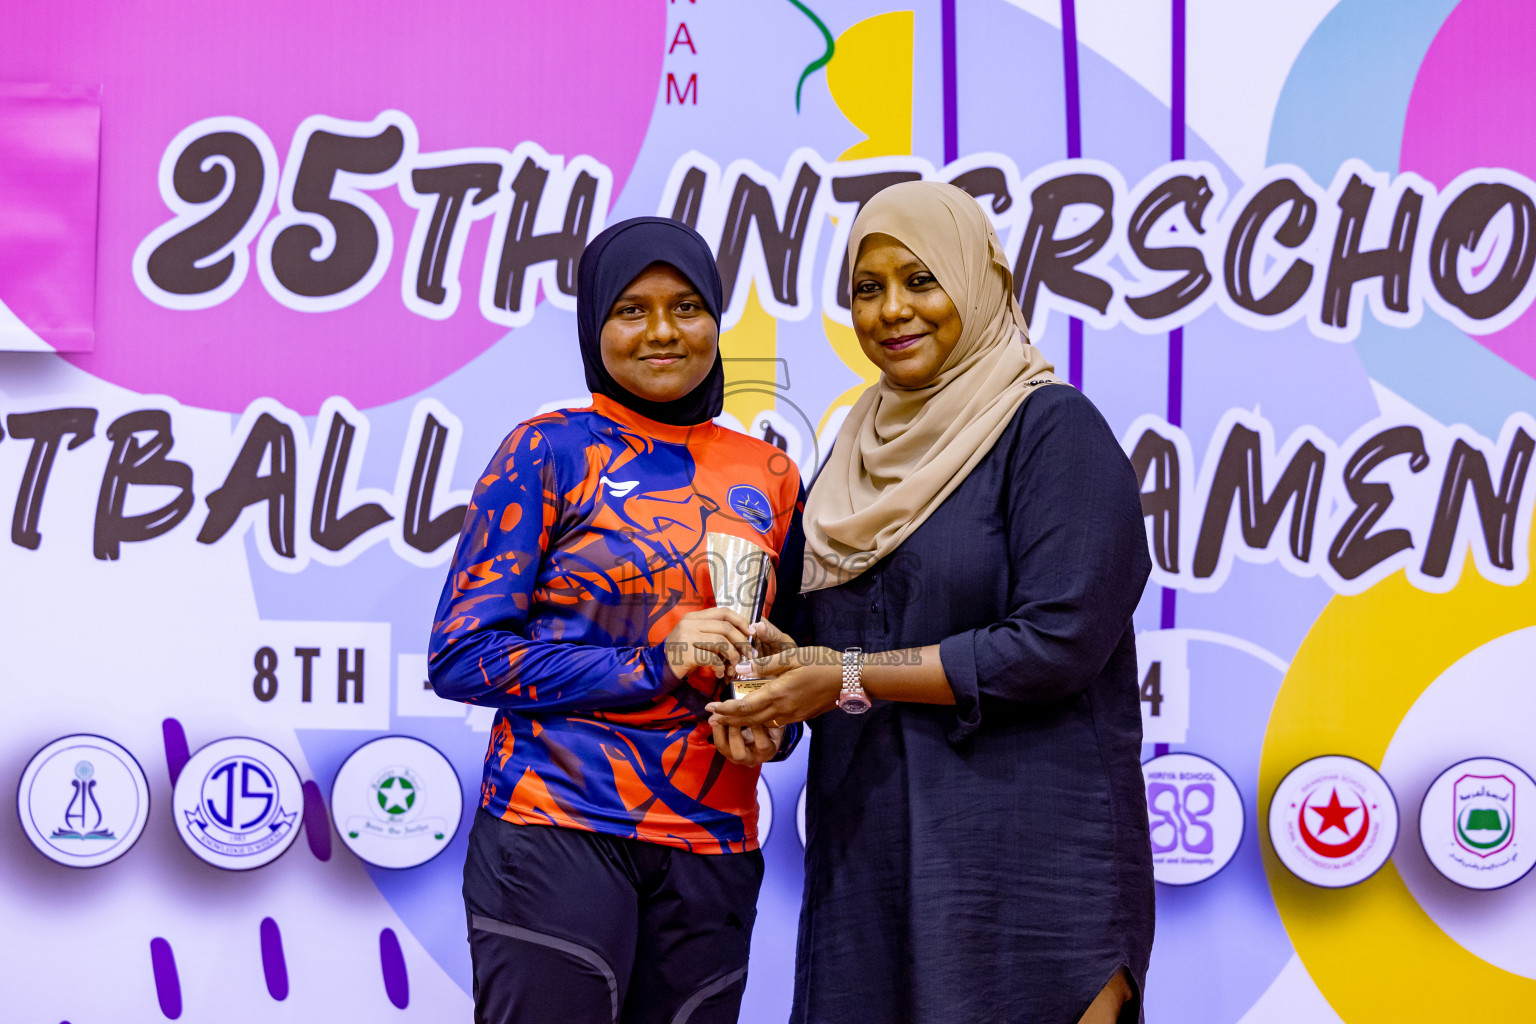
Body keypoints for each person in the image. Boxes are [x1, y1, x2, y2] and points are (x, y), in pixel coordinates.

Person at [708, 181, 1155, 1024]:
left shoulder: (1051, 430)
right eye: (867, 289)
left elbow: (1055, 644)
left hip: (1032, 872)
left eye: (921, 281)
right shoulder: (847, 463)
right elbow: (812, 651)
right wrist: (766, 709)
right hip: (869, 867)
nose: (891, 311)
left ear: (979, 284)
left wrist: (844, 675)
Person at [429, 216, 805, 1024]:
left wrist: (776, 723)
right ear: (594, 323)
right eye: (631, 310)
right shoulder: (547, 450)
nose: (663, 331)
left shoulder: (770, 474)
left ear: (716, 318)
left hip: (715, 843)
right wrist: (652, 660)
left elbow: (787, 658)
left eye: (686, 306)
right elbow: (462, 656)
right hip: (556, 827)